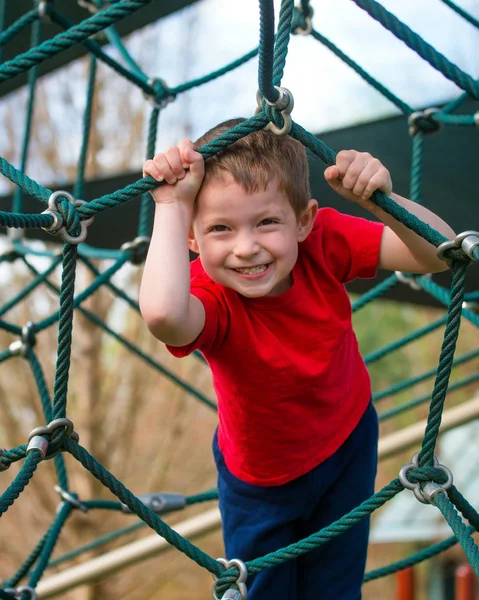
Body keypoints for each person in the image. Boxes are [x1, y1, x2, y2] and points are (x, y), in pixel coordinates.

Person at [139, 118, 455, 599]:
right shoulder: (211, 295)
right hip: (260, 484)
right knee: (264, 591)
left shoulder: (322, 242)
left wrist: (381, 203)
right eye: (221, 229)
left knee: (336, 589)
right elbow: (162, 315)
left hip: (347, 444)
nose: (247, 247)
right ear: (194, 242)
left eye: (266, 221)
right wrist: (170, 205)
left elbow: (439, 252)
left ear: (303, 220)